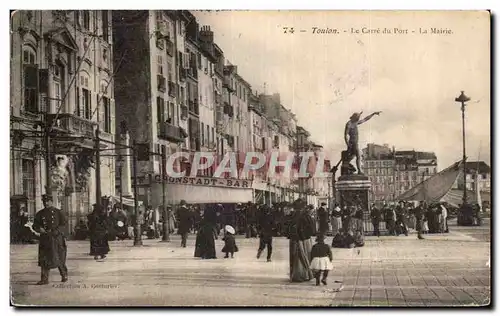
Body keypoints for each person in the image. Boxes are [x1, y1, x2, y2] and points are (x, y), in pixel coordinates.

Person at [32, 194, 68, 285]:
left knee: (59, 257)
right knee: (44, 259)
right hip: (45, 239)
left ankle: (64, 275)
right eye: (44, 201)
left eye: (48, 201)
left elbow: (64, 224)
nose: (46, 203)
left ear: (52, 201)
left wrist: (57, 231)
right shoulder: (40, 214)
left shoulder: (58, 212)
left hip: (57, 238)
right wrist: (39, 228)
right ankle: (44, 279)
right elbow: (35, 225)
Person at [287, 199, 314, 283]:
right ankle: (306, 274)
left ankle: (296, 275)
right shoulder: (306, 216)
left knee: (296, 257)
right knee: (306, 255)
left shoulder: (292, 216)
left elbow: (288, 228)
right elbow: (311, 229)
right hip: (305, 239)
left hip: (295, 239)